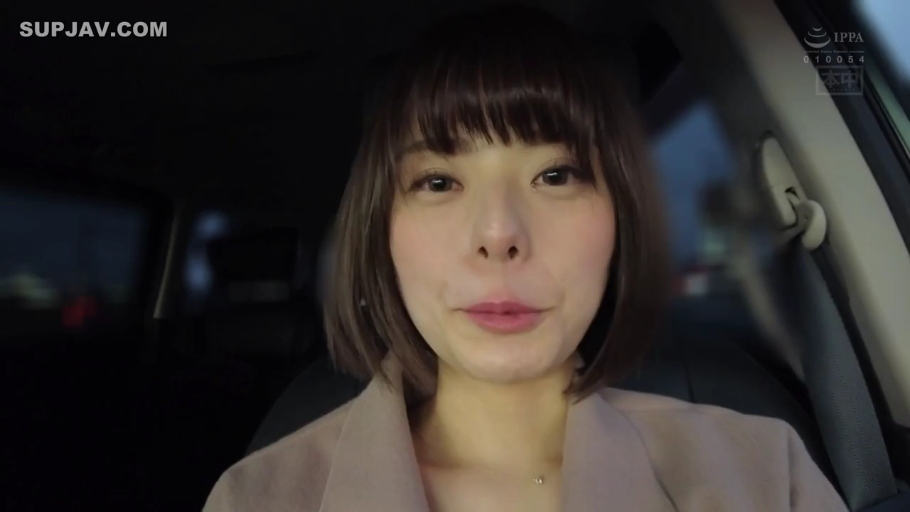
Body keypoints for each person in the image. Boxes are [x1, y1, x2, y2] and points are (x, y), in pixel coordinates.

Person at [202, 6, 847, 512]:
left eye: (556, 175)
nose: (499, 233)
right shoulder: (257, 499)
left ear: (620, 217)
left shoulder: (764, 476)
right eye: (438, 182)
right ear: (380, 232)